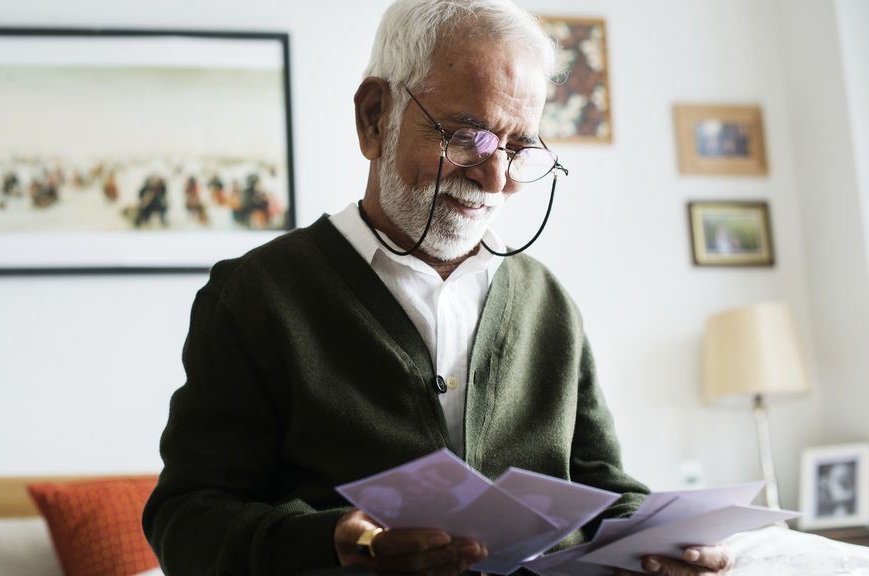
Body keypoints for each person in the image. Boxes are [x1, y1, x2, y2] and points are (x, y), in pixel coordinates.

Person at [143, 1, 734, 575]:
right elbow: (186, 521)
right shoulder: (256, 296)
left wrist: (664, 545)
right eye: (468, 136)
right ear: (375, 117)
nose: (496, 178)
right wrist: (331, 541)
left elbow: (604, 488)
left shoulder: (547, 304)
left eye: (519, 146)